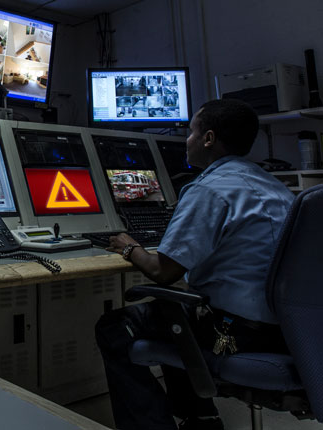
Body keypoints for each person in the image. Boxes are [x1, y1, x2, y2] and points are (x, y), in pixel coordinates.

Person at [95, 99, 294, 430]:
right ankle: (201, 420)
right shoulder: (276, 188)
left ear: (208, 139)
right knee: (173, 316)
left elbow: (164, 271)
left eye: (190, 132)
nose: (186, 140)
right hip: (285, 331)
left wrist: (130, 247)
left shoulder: (208, 190)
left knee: (116, 327)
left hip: (234, 331)